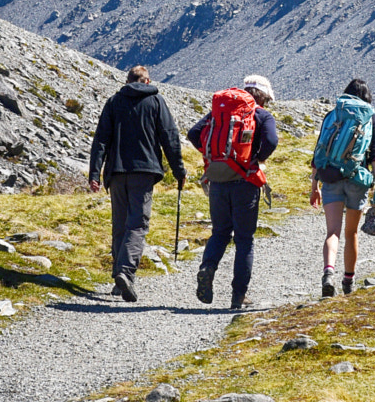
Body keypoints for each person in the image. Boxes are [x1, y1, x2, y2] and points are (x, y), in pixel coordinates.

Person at [88, 63, 185, 303]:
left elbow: (101, 139)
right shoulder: (156, 102)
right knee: (138, 225)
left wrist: (94, 173)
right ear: (147, 82)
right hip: (144, 171)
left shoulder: (113, 102)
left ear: (127, 81)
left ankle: (118, 280)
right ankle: (125, 272)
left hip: (116, 172)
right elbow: (169, 137)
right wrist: (179, 170)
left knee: (120, 225)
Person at [187, 74, 279, 311]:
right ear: (263, 96)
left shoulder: (222, 113)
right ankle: (238, 297)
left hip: (217, 179)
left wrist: (214, 158)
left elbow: (194, 133)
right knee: (244, 240)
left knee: (219, 232)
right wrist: (257, 158)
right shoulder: (261, 114)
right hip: (245, 182)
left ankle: (207, 267)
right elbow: (271, 139)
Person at [309, 76, 375, 296]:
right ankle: (348, 282)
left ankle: (328, 273)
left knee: (332, 232)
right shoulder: (372, 118)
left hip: (330, 176)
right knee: (351, 233)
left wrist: (314, 186)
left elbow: (319, 153)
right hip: (357, 180)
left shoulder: (333, 115)